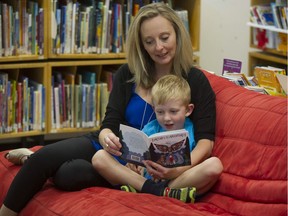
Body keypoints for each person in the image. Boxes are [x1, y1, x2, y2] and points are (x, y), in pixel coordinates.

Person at [0, 3, 223, 216]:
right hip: (114, 150)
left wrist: (178, 170)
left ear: (177, 34)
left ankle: (140, 185)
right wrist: (107, 137)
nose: (159, 47)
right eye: (149, 41)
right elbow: (110, 122)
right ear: (141, 45)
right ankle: (29, 169)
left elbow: (205, 141)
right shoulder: (128, 73)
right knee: (44, 159)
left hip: (151, 167)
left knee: (69, 174)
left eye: (165, 38)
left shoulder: (194, 79)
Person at [92, 74, 198, 203]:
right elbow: (137, 153)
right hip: (145, 179)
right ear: (154, 109)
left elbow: (194, 162)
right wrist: (132, 163)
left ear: (188, 110)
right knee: (99, 157)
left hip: (176, 180)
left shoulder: (192, 131)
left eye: (173, 111)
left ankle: (149, 190)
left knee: (213, 166)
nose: (166, 118)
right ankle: (159, 191)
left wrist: (175, 171)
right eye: (160, 112)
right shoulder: (151, 127)